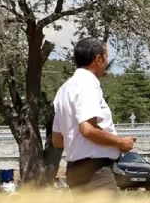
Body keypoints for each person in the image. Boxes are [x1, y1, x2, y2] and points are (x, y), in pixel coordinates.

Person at [51, 38, 136, 192]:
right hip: (95, 173)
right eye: (106, 56)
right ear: (98, 59)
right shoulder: (88, 84)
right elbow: (87, 130)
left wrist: (79, 145)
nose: (107, 62)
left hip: (75, 171)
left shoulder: (64, 90)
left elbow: (57, 140)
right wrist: (120, 142)